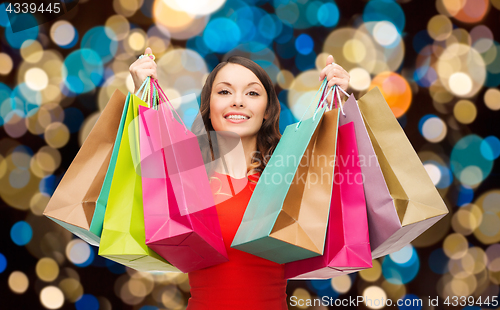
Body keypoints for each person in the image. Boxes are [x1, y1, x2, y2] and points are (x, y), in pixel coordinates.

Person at [129, 47, 350, 310]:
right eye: (224, 91)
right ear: (209, 108)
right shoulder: (187, 181)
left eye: (252, 93)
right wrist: (144, 93)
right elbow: (141, 181)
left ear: (267, 110)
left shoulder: (290, 181)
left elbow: (344, 207)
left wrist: (340, 111)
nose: (238, 101)